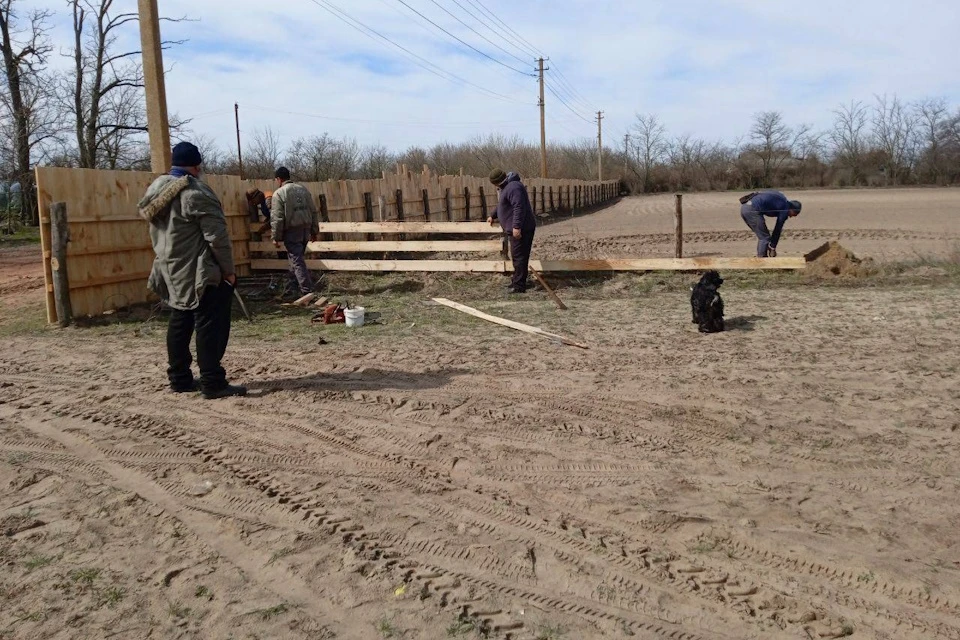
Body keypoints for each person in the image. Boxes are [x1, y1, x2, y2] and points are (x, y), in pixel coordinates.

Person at [138, 141, 247, 400]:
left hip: (169, 268)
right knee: (210, 324)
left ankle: (180, 379)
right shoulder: (196, 192)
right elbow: (216, 237)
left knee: (180, 321)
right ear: (197, 166)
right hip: (199, 271)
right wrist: (229, 271)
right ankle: (212, 381)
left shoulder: (156, 189)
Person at [270, 167, 319, 296]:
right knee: (296, 259)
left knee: (297, 261)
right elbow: (313, 211)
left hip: (292, 231)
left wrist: (275, 236)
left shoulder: (279, 193)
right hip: (305, 230)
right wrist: (314, 231)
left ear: (279, 179)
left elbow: (277, 218)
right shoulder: (303, 190)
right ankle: (292, 286)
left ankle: (307, 291)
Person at [488, 169, 537, 293]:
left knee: (519, 257)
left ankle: (519, 286)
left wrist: (516, 226)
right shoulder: (508, 187)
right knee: (517, 256)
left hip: (522, 229)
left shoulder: (513, 187)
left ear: (496, 182)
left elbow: (518, 207)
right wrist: (493, 215)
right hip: (519, 228)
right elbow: (502, 204)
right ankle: (517, 281)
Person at [740, 190, 802, 257]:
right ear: (792, 209)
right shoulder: (785, 208)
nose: (791, 216)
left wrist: (772, 246)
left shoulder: (782, 199)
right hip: (752, 210)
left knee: (763, 236)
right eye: (794, 215)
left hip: (745, 207)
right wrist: (773, 247)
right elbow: (777, 229)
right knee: (764, 238)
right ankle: (762, 262)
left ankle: (762, 258)